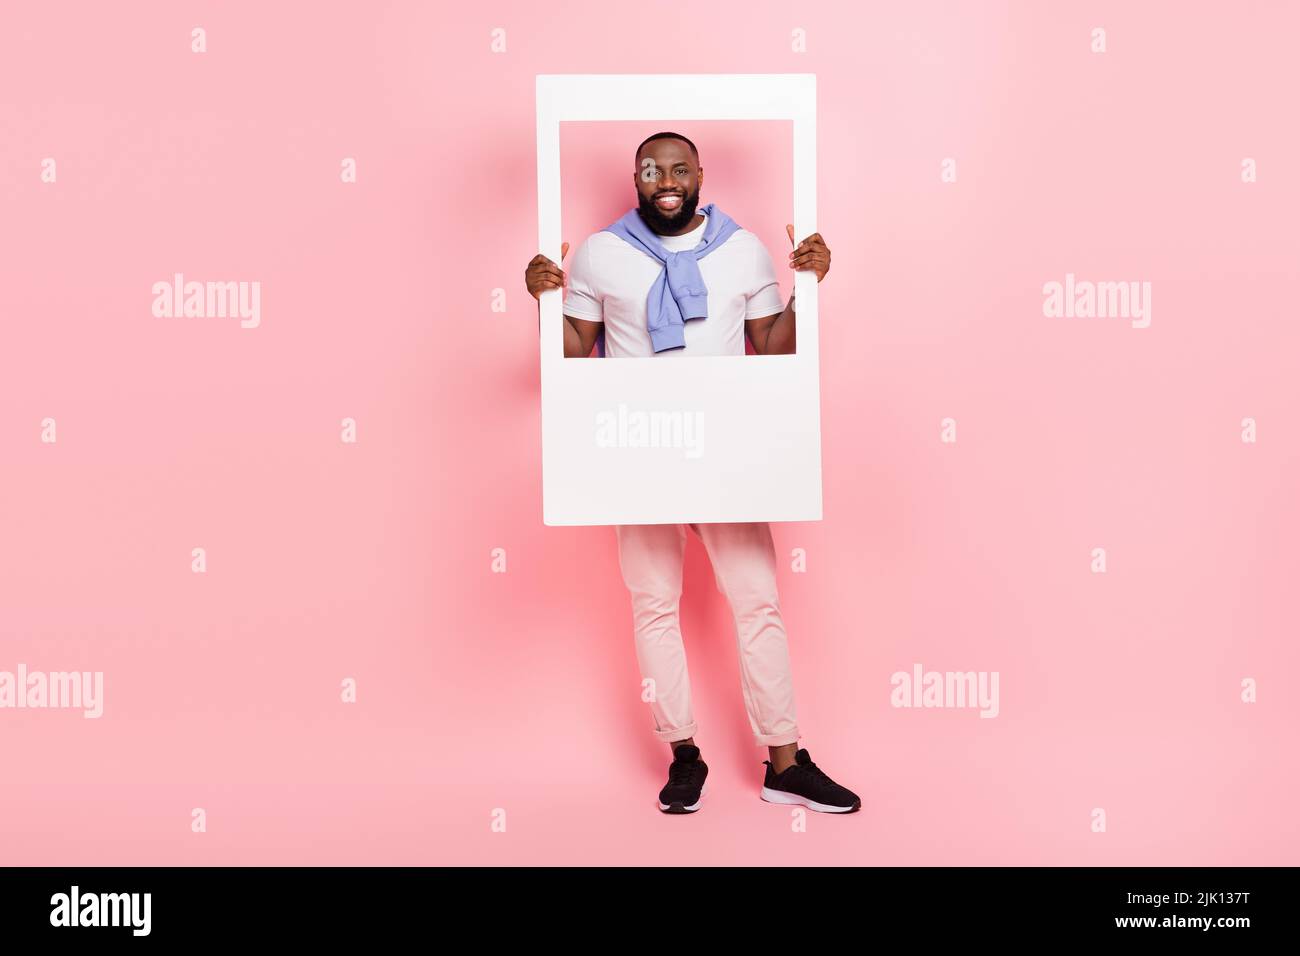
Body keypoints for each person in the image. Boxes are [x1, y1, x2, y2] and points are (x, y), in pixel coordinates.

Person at [524, 131, 860, 815]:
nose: (666, 179)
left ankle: (784, 762)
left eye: (679, 168)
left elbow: (770, 345)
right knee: (654, 605)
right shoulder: (600, 252)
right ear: (637, 178)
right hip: (638, 454)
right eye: (652, 170)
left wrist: (809, 289)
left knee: (757, 600)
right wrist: (539, 301)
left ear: (701, 174)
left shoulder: (743, 250)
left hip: (726, 455)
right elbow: (570, 352)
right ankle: (683, 754)